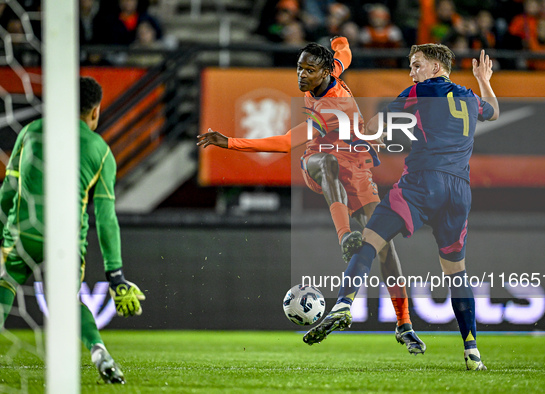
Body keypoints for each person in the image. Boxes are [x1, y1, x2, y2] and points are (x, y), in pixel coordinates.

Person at [197, 37, 426, 355]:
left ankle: (404, 327)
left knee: (385, 247)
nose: (301, 76)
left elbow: (283, 143)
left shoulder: (332, 108)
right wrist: (340, 41)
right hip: (320, 162)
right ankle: (345, 235)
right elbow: (344, 54)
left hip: (356, 169)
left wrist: (230, 142)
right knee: (328, 161)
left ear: (324, 73)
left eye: (308, 70)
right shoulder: (332, 70)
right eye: (299, 68)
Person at [303, 45, 499, 372]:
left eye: (416, 65)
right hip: (459, 192)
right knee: (456, 271)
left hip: (421, 184)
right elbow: (492, 110)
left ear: (436, 67)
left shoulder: (419, 90)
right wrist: (484, 81)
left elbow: (378, 123)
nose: (412, 72)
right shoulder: (468, 97)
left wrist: (369, 137)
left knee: (370, 241)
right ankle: (472, 348)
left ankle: (343, 305)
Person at [0, 76, 145, 384]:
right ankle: (98, 351)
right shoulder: (102, 152)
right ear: (95, 112)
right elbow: (106, 218)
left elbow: (8, 190)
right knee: (67, 300)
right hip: (65, 240)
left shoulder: (30, 131)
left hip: (23, 232)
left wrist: (2, 233)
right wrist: (115, 276)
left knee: (7, 281)